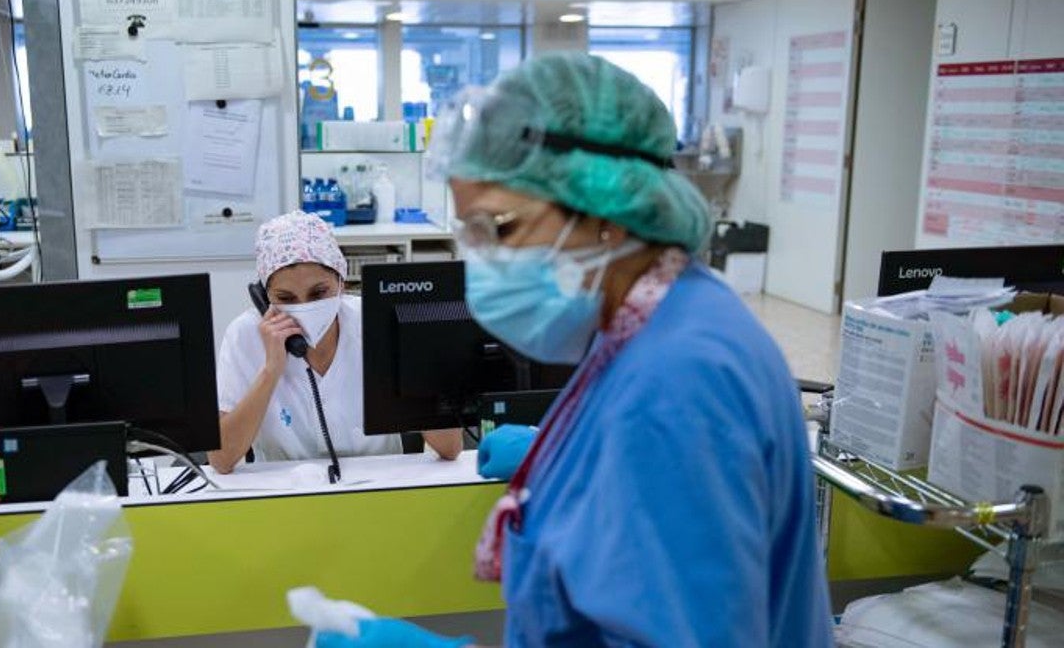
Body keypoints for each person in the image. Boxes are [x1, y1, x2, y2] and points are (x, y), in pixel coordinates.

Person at [316, 54, 833, 646]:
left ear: (603, 210)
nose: (484, 260)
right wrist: (569, 457)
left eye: (502, 229)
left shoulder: (677, 382)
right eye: (472, 236)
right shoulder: (665, 312)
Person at [208, 211, 463, 474]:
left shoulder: (377, 322)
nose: (305, 307)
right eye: (286, 298)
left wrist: (409, 365)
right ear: (263, 297)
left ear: (341, 282)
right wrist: (271, 370)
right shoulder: (244, 335)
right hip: (281, 492)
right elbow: (221, 460)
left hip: (380, 487)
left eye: (319, 292)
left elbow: (450, 447)